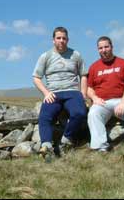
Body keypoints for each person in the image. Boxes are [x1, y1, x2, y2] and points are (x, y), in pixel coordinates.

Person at [32, 26, 88, 161]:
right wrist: (46, 93)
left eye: (64, 38)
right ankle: (47, 147)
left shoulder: (76, 55)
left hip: (72, 91)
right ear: (53, 40)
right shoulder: (45, 56)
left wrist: (83, 94)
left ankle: (65, 141)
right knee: (45, 117)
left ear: (67, 39)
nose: (61, 41)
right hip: (54, 93)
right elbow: (36, 77)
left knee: (79, 113)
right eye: (58, 38)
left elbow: (84, 75)